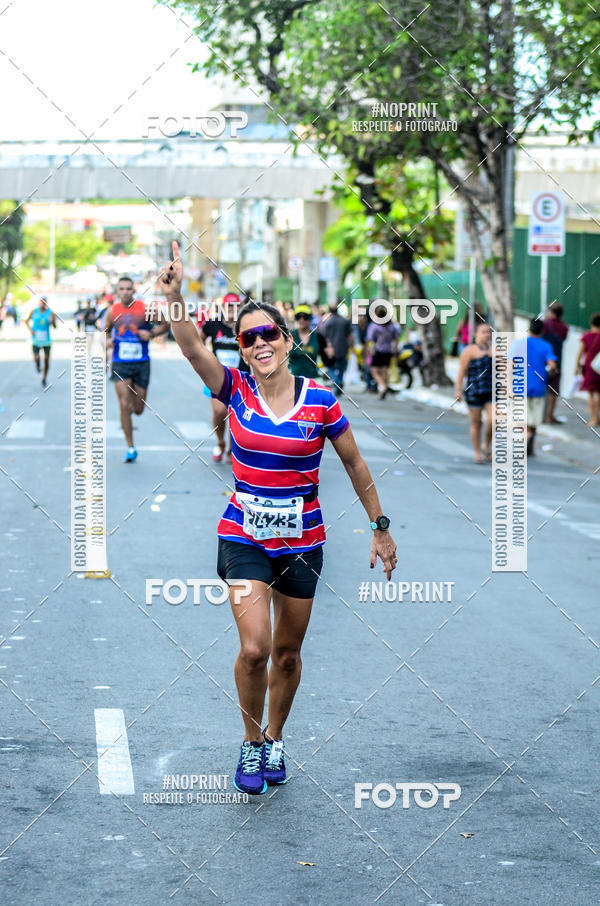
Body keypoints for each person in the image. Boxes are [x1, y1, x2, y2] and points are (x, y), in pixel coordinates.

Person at [160, 241, 397, 796]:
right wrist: (173, 300)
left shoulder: (320, 400)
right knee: (255, 648)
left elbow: (355, 462)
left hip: (303, 542)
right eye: (250, 338)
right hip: (243, 535)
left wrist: (380, 527)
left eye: (271, 334)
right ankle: (249, 742)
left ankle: (275, 737)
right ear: (241, 350)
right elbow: (193, 348)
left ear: (287, 342)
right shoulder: (234, 389)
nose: (261, 343)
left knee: (288, 655)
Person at [103, 275, 170, 462]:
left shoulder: (145, 308)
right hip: (120, 363)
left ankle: (132, 410)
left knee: (138, 409)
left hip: (141, 363)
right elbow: (106, 330)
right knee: (124, 404)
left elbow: (166, 324)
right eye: (121, 289)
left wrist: (151, 333)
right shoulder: (112, 311)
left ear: (134, 290)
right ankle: (130, 447)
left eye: (128, 289)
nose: (125, 292)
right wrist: (107, 340)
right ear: (117, 291)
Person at [200, 292, 248, 462]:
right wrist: (205, 360)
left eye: (235, 307)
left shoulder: (244, 327)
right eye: (229, 306)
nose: (232, 310)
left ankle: (231, 449)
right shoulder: (213, 324)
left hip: (240, 377)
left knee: (235, 414)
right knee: (219, 411)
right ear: (223, 307)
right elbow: (199, 342)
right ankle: (220, 442)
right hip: (216, 376)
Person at [512, 318, 557, 456]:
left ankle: (524, 438)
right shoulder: (546, 346)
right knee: (534, 418)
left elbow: (510, 364)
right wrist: (551, 372)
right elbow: (552, 365)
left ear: (529, 328)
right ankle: (530, 441)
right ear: (542, 330)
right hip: (538, 386)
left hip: (519, 386)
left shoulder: (519, 344)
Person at [455, 322, 494, 463]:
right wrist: (458, 389)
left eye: (489, 332)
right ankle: (477, 452)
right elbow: (461, 371)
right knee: (476, 422)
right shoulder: (469, 351)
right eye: (483, 332)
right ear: (476, 334)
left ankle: (486, 445)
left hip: (491, 390)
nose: (487, 335)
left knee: (493, 420)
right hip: (474, 390)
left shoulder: (495, 350)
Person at [319, 302, 354, 397]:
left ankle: (337, 382)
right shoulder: (344, 321)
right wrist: (352, 346)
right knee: (342, 368)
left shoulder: (327, 322)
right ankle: (339, 381)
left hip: (331, 349)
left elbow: (323, 336)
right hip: (343, 348)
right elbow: (350, 335)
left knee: (331, 368)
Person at [542, 302, 569, 423]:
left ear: (550, 312)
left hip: (542, 359)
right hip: (557, 360)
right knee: (553, 390)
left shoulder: (544, 324)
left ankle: (539, 415)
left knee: (540, 387)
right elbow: (563, 339)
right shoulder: (564, 327)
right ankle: (549, 415)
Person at [365, 309, 400, 399]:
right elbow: (396, 338)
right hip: (388, 351)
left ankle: (383, 387)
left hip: (378, 350)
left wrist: (368, 349)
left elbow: (369, 338)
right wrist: (395, 348)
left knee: (374, 371)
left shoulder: (374, 325)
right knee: (385, 370)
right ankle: (383, 387)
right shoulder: (392, 326)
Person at [575, 312, 600, 427]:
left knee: (591, 394)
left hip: (590, 367)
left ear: (591, 323)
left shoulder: (586, 336)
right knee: (599, 393)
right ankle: (598, 418)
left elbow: (579, 354)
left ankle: (594, 419)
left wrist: (577, 367)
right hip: (599, 368)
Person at [26, 297, 56, 387]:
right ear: (39, 303)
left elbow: (55, 326)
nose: (42, 304)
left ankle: (44, 378)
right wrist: (30, 330)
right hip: (36, 339)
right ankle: (38, 365)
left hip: (46, 340)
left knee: (46, 359)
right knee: (37, 357)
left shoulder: (51, 313)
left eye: (44, 303)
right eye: (41, 302)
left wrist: (52, 321)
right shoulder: (33, 311)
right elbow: (26, 321)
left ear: (46, 304)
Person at [288, 304, 320, 378]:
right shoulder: (290, 336)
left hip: (313, 379)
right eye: (298, 317)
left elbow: (328, 359)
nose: (301, 320)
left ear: (310, 318)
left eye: (305, 317)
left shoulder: (317, 336)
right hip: (294, 380)